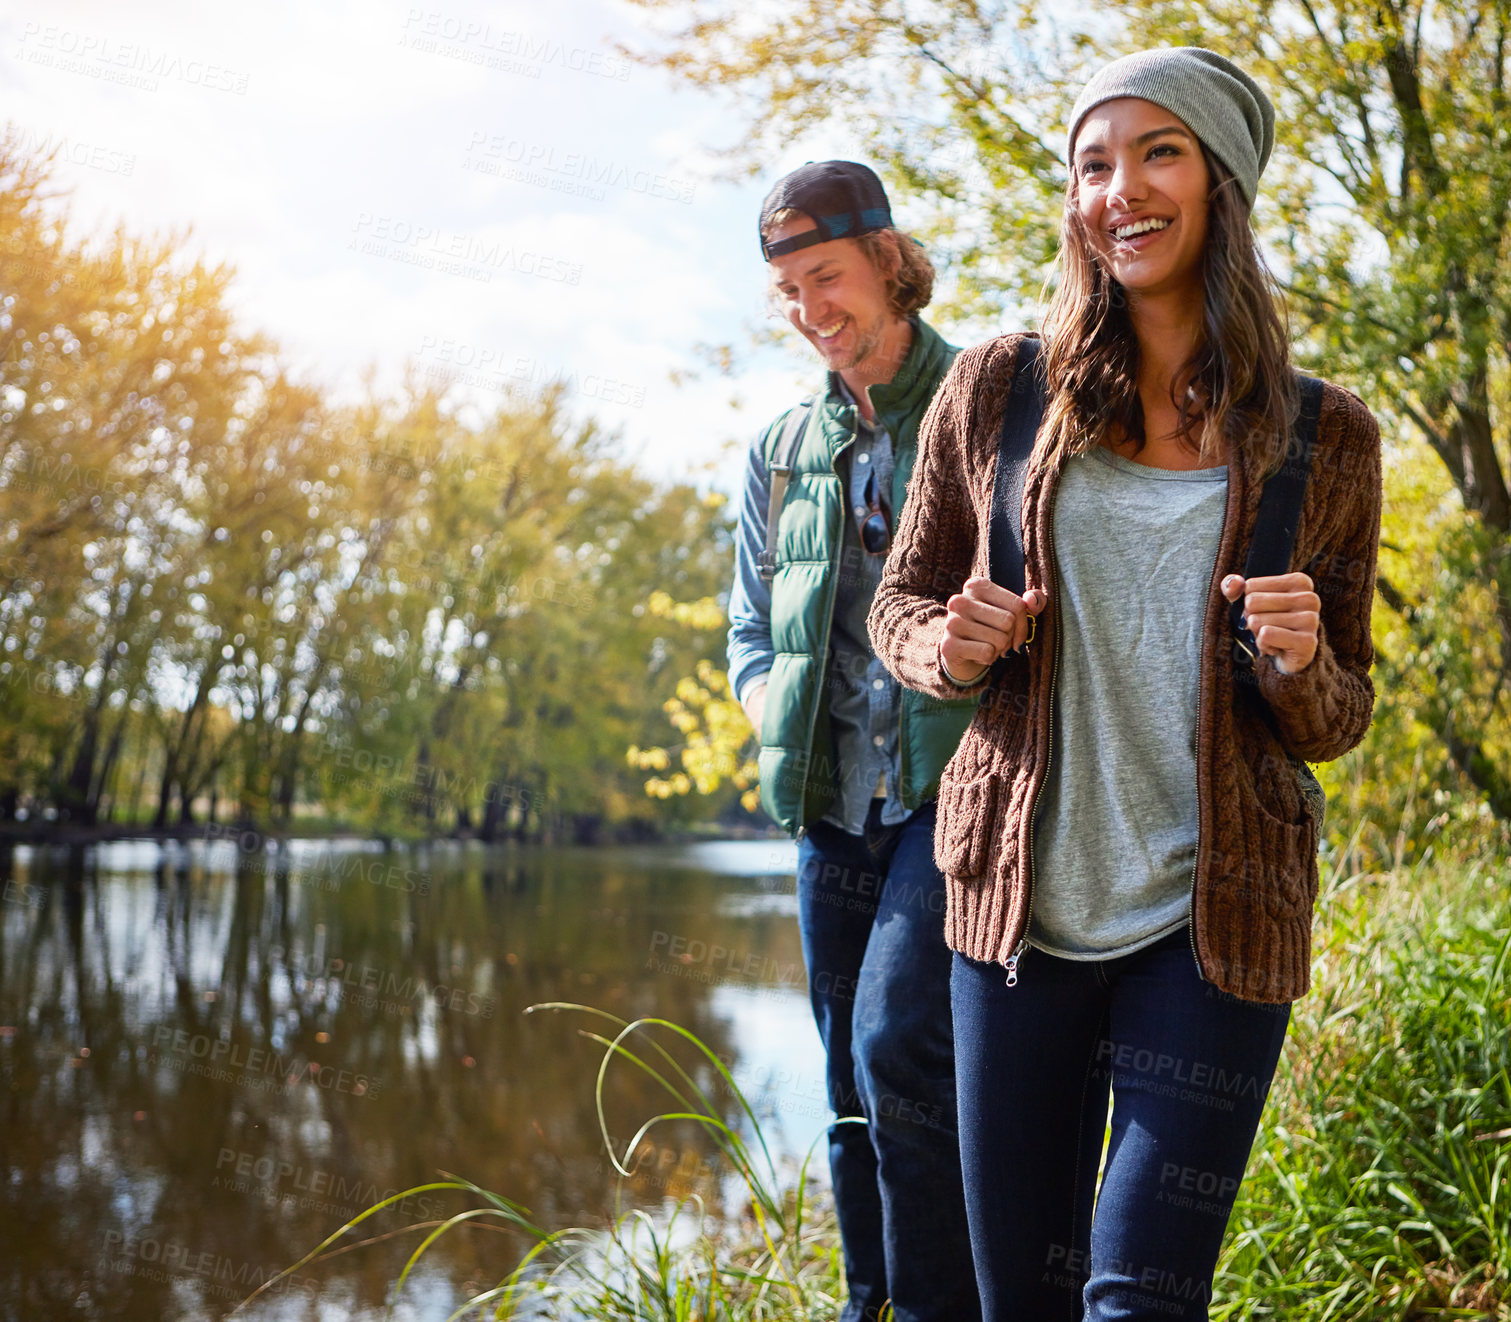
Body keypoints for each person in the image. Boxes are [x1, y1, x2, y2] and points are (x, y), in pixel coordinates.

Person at [867, 48, 1383, 1321]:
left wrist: (1300, 663)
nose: (1119, 190)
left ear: (1219, 182)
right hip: (1015, 919)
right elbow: (899, 600)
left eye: (1157, 153)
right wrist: (954, 645)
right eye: (1093, 164)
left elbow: (1339, 716)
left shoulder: (1322, 433)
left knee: (1138, 1300)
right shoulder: (999, 389)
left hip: (1211, 927)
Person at [726, 160, 981, 1322]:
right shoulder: (781, 447)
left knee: (895, 1049)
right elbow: (748, 623)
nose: (808, 310)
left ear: (886, 260)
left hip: (947, 789)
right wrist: (764, 710)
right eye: (786, 289)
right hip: (826, 801)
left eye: (823, 275)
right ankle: (866, 1298)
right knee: (838, 1079)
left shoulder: (980, 404)